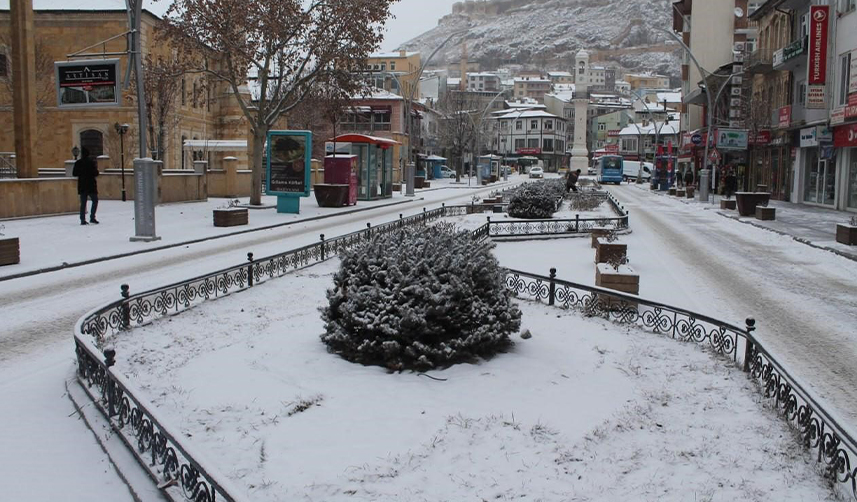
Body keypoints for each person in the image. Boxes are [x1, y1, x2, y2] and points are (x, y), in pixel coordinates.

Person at [73, 147, 99, 225]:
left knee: (83, 203)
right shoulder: (91, 163)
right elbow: (96, 173)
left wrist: (81, 173)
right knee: (95, 200)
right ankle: (92, 217)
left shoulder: (78, 163)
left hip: (82, 185)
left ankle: (82, 219)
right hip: (91, 185)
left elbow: (74, 173)